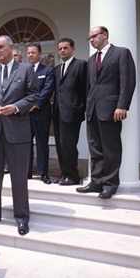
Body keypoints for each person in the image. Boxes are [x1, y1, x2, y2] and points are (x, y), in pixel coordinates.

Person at [0, 35, 39, 236]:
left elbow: (33, 95)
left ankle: (21, 217)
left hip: (18, 132)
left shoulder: (26, 69)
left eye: (1, 47)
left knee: (19, 177)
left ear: (11, 47)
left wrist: (15, 107)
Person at [77, 26, 136, 199]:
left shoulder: (121, 53)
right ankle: (96, 182)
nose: (92, 40)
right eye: (89, 38)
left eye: (94, 36)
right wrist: (88, 106)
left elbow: (128, 81)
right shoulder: (91, 59)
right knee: (95, 149)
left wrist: (122, 106)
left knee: (111, 148)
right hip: (93, 110)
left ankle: (110, 184)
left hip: (111, 109)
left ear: (105, 35)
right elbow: (90, 87)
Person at [53, 38, 87, 185]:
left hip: (72, 113)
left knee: (69, 145)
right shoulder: (56, 69)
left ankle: (73, 176)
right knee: (60, 145)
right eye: (60, 48)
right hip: (58, 113)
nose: (62, 51)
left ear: (73, 49)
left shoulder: (80, 65)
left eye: (65, 48)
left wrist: (82, 108)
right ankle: (64, 174)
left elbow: (86, 89)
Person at [26, 42, 54, 184]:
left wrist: (35, 105)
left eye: (33, 52)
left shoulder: (47, 71)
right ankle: (27, 172)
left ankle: (43, 173)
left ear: (40, 54)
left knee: (42, 143)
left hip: (41, 113)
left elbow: (47, 91)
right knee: (26, 143)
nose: (30, 55)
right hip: (25, 114)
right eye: (28, 52)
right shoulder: (23, 70)